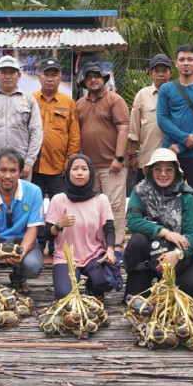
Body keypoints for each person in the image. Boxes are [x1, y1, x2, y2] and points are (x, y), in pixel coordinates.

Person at [124, 148, 193, 300]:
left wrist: (178, 255)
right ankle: (141, 285)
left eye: (169, 169)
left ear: (176, 172)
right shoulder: (140, 191)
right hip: (148, 253)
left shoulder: (187, 196)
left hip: (177, 252)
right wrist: (165, 232)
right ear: (151, 170)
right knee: (137, 240)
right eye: (158, 169)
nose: (163, 174)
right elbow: (133, 221)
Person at [45, 154, 120, 300]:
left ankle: (93, 286)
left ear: (90, 173)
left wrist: (110, 249)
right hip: (66, 258)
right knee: (64, 295)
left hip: (94, 255)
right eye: (75, 169)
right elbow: (47, 234)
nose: (80, 173)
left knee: (107, 281)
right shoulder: (59, 199)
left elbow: (109, 228)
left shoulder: (101, 199)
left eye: (84, 169)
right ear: (68, 173)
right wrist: (59, 225)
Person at [76, 60, 130, 251]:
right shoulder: (79, 104)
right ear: (84, 82)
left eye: (97, 76)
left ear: (104, 79)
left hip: (112, 165)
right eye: (89, 77)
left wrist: (119, 158)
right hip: (89, 167)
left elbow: (124, 128)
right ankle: (97, 244)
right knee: (92, 207)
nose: (93, 80)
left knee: (114, 206)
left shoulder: (115, 100)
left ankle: (115, 245)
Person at [0, 149, 44, 294]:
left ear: (20, 172)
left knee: (32, 266)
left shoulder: (34, 192)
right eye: (3, 170)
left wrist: (21, 254)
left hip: (21, 242)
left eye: (13, 171)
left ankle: (18, 277)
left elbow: (32, 231)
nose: (7, 176)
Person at [156, 46, 193, 194]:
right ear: (176, 63)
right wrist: (184, 138)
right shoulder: (166, 89)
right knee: (167, 196)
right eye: (182, 59)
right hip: (171, 152)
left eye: (190, 59)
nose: (186, 63)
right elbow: (162, 119)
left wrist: (182, 146)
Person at [0, 55, 43, 182]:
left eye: (12, 72)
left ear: (19, 76)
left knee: (21, 200)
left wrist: (29, 162)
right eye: (3, 72)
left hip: (21, 168)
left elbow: (36, 132)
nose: (7, 76)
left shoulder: (29, 100)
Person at [32, 57, 80, 202]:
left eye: (54, 75)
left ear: (60, 78)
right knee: (32, 208)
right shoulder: (30, 100)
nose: (50, 79)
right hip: (33, 167)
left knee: (61, 207)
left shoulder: (69, 102)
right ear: (39, 77)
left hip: (59, 169)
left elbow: (74, 136)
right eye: (46, 75)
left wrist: (69, 163)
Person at [129, 53, 173, 183]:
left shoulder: (178, 94)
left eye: (164, 71)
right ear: (150, 74)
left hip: (173, 159)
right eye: (156, 71)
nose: (161, 74)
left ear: (171, 73)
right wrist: (132, 156)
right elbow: (134, 129)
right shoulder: (142, 95)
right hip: (147, 160)